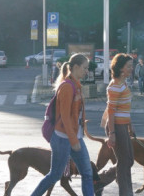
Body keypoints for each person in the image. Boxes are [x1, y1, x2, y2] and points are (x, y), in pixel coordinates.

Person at [31, 54, 94, 196]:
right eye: (84, 68)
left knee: (87, 173)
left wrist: (78, 134)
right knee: (55, 175)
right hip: (62, 138)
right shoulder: (67, 87)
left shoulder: (76, 86)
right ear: (76, 67)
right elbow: (65, 117)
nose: (86, 71)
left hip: (74, 137)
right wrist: (73, 140)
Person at [102, 54, 135, 196]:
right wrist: (112, 134)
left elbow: (125, 109)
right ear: (121, 68)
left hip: (123, 126)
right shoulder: (115, 86)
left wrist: (130, 126)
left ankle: (100, 181)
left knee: (128, 160)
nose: (131, 68)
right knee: (124, 162)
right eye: (129, 66)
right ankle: (125, 192)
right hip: (116, 127)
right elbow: (111, 112)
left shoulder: (123, 83)